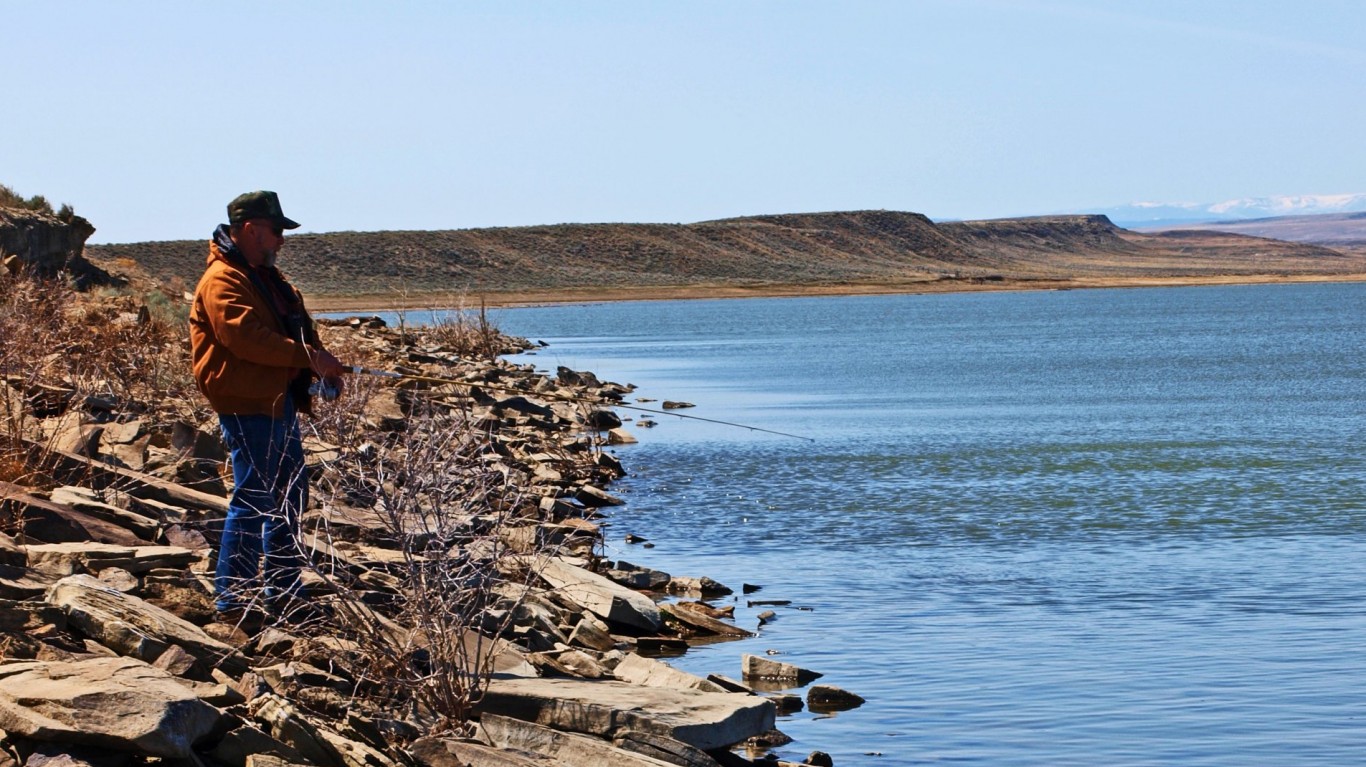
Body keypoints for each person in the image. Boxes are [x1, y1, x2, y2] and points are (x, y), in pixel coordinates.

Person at [189, 190, 347, 621]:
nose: (280, 241)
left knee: (290, 496)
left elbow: (293, 333)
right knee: (255, 498)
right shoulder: (222, 279)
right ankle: (233, 599)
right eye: (275, 231)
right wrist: (310, 358)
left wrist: (319, 365)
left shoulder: (264, 277)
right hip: (247, 405)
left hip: (277, 404)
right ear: (249, 229)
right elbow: (244, 338)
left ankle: (283, 588)